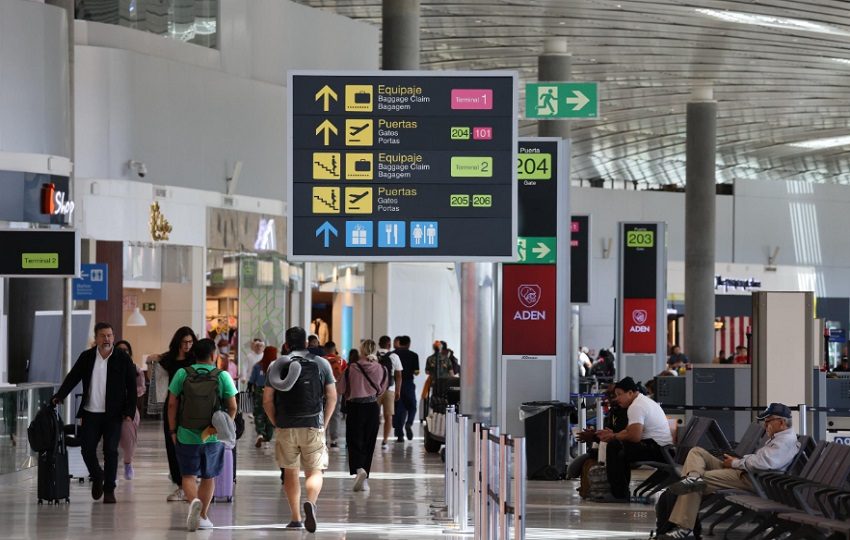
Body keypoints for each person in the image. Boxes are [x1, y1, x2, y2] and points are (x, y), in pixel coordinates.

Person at [657, 403, 800, 540]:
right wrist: (737, 462)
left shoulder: (785, 442)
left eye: (768, 421)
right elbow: (761, 460)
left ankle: (684, 528)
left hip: (752, 479)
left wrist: (736, 463)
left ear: (781, 422)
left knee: (697, 483)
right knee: (697, 452)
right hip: (744, 471)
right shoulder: (779, 438)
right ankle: (691, 477)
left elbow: (763, 463)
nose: (765, 425)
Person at [51, 322, 137, 504]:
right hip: (91, 413)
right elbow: (73, 377)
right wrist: (60, 395)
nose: (107, 339)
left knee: (111, 451)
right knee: (87, 449)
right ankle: (98, 476)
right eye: (103, 335)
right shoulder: (87, 357)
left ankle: (109, 490)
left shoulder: (122, 358)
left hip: (114, 414)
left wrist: (129, 410)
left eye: (110, 335)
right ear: (96, 338)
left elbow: (132, 386)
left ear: (113, 337)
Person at [264, 326, 337, 533]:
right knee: (315, 470)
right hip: (313, 423)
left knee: (290, 471)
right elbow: (332, 396)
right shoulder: (321, 363)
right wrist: (325, 422)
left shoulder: (276, 365)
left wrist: (276, 422)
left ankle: (295, 518)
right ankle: (311, 503)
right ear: (307, 343)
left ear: (286, 345)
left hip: (286, 424)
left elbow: (267, 400)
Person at [167, 338, 238, 531]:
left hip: (186, 433)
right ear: (213, 355)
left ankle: (194, 502)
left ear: (194, 355)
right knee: (209, 476)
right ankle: (203, 517)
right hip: (212, 436)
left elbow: (172, 404)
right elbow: (232, 406)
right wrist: (222, 427)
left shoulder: (182, 373)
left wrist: (173, 430)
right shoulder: (222, 376)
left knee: (188, 476)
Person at [596, 376, 673, 502]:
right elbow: (628, 431)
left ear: (630, 393)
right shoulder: (642, 401)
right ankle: (621, 492)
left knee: (614, 447)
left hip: (660, 451)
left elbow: (634, 436)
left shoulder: (636, 406)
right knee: (618, 445)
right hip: (664, 449)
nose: (617, 398)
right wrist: (613, 435)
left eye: (619, 394)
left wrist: (614, 436)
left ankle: (619, 494)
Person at [149, 326, 198, 502]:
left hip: (193, 405)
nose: (188, 345)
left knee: (192, 443)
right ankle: (180, 485)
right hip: (172, 405)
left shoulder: (195, 359)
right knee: (172, 444)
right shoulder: (168, 359)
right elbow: (154, 376)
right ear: (178, 342)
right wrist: (151, 361)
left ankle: (191, 481)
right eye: (184, 341)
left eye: (191, 342)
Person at [339, 340, 388, 492]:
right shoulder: (382, 368)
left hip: (355, 407)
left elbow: (341, 388)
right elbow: (381, 390)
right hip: (372, 407)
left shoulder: (352, 368)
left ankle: (359, 469)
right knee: (369, 442)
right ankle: (365, 479)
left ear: (361, 350)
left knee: (354, 440)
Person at [115, 340, 146, 480]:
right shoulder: (108, 368)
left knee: (128, 440)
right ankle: (112, 469)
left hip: (129, 410)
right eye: (120, 349)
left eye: (126, 349)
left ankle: (128, 463)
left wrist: (129, 393)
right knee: (110, 442)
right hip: (111, 410)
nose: (123, 352)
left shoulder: (136, 369)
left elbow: (141, 388)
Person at [392, 335, 420, 442]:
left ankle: (400, 435)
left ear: (399, 343)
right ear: (408, 344)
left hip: (395, 384)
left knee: (399, 409)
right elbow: (416, 372)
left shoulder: (393, 355)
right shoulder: (413, 355)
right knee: (412, 406)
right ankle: (409, 423)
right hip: (408, 383)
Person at [249, 346, 278, 447]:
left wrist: (250, 392)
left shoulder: (257, 366)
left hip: (259, 391)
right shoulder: (277, 366)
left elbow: (251, 381)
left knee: (259, 414)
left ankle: (260, 433)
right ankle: (268, 437)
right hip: (273, 392)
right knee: (270, 414)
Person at [377, 335, 403, 449]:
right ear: (389, 344)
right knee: (388, 416)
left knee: (373, 416)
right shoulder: (394, 356)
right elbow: (398, 375)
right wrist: (398, 390)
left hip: (374, 390)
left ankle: (371, 439)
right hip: (389, 389)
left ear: (379, 344)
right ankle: (385, 441)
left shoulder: (373, 355)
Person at [323, 341, 347, 448]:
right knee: (335, 414)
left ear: (325, 349)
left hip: (322, 390)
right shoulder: (341, 361)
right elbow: (345, 377)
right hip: (336, 390)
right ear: (334, 348)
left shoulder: (320, 359)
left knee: (322, 413)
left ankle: (322, 438)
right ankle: (334, 439)